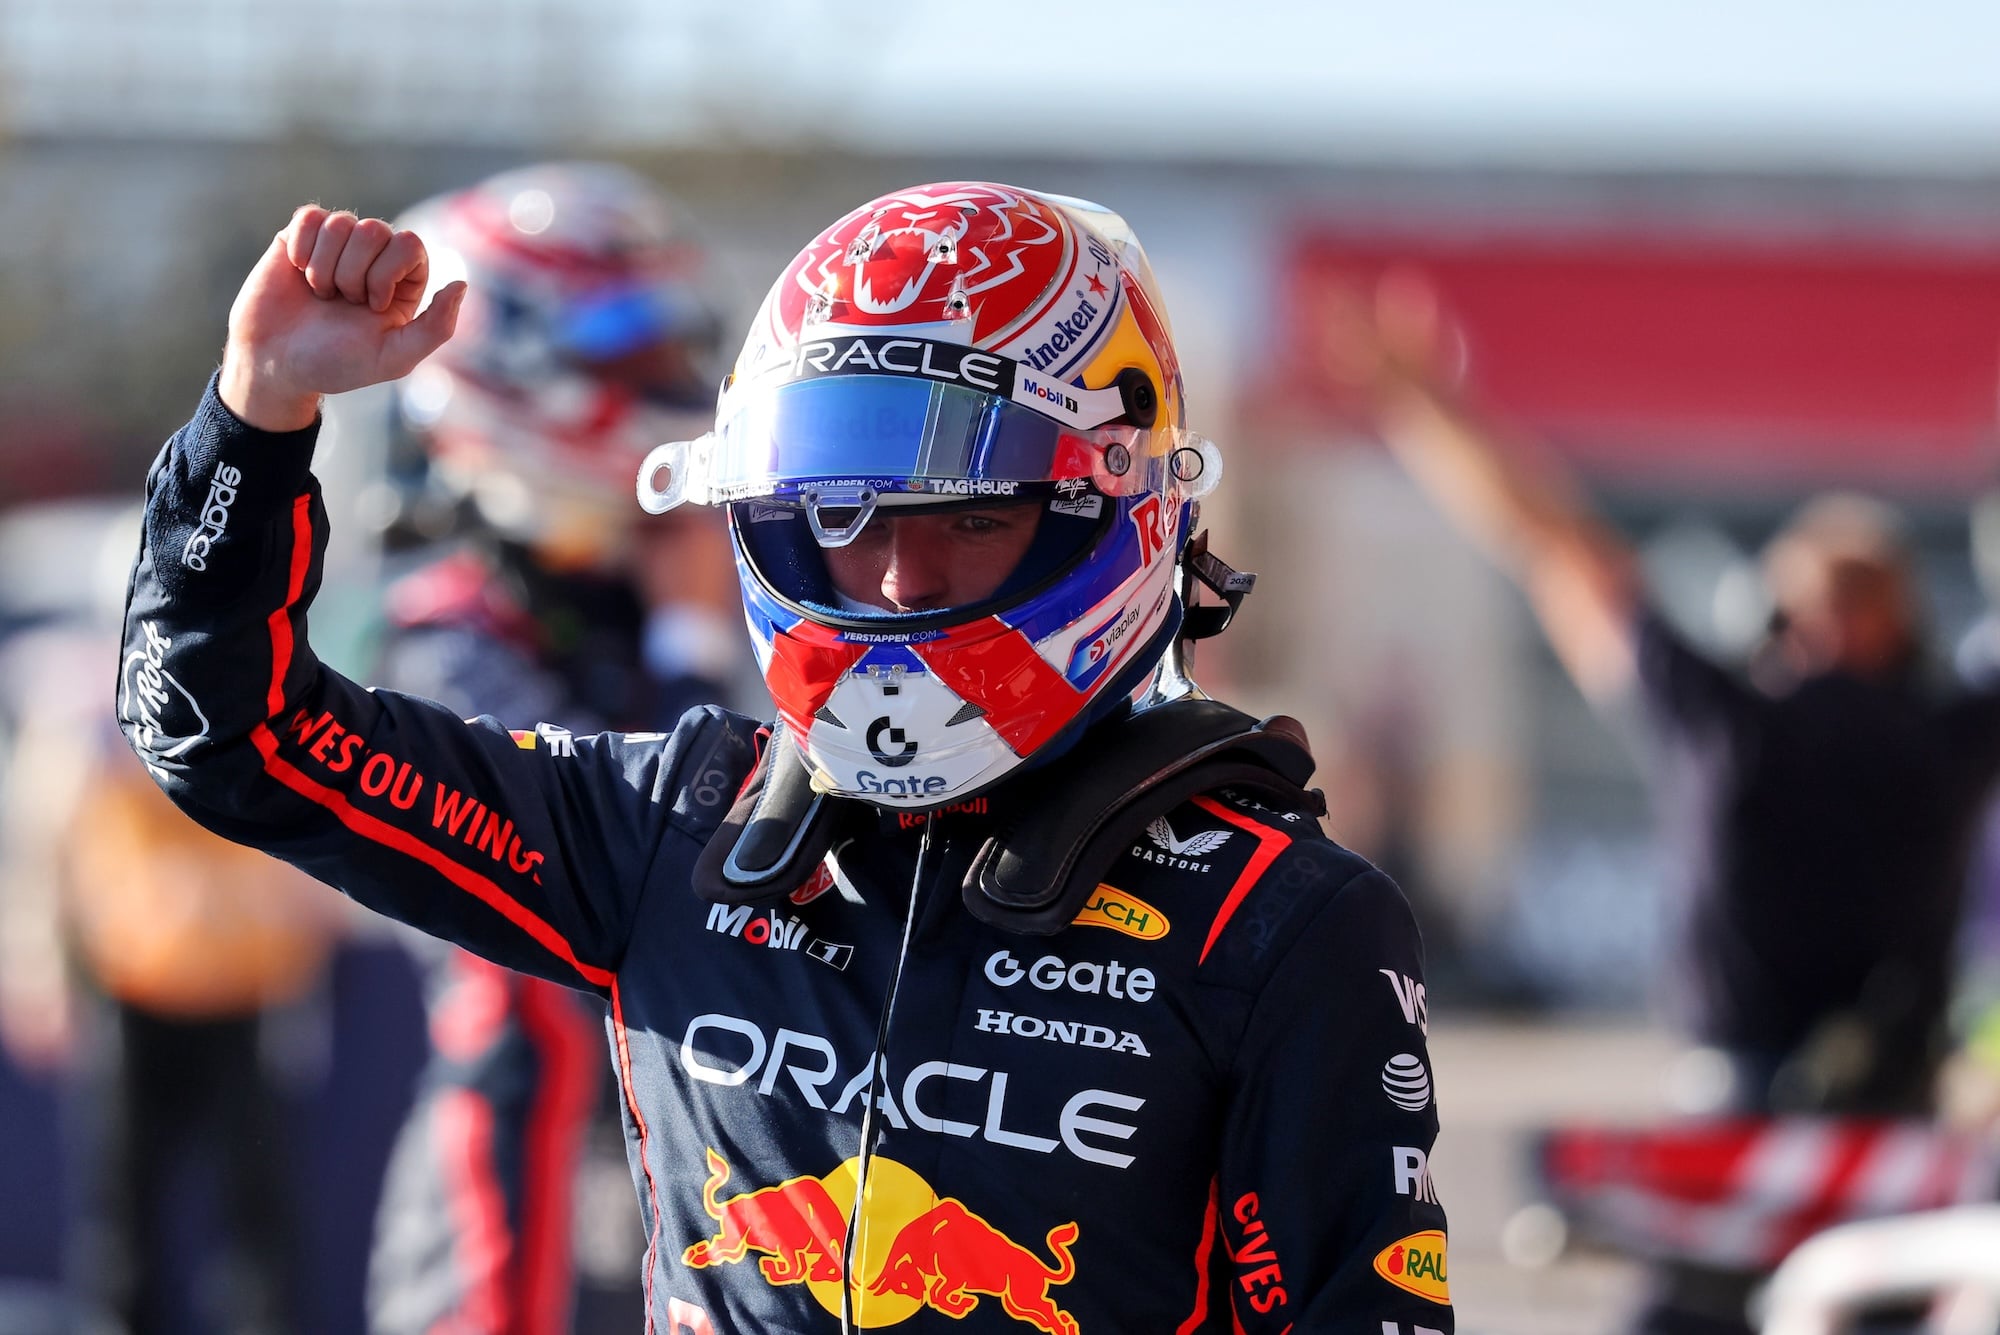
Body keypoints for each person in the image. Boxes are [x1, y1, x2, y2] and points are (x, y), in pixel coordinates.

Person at [116, 182, 1453, 1333]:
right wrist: (258, 412)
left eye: (972, 514)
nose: (891, 573)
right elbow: (223, 725)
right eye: (838, 514)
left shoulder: (1281, 920)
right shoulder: (675, 826)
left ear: (1116, 503)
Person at [1328, 274, 2000, 1332]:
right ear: (1901, 626)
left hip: (1731, 1141)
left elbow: (1555, 546)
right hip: (1894, 1152)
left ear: (1774, 617)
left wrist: (1426, 408)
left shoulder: (1728, 719)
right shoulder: (1947, 735)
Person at [355, 162, 746, 1335]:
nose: (667, 373)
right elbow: (618, 856)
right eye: (623, 337)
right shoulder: (441, 636)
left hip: (686, 1174)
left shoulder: (663, 582)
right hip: (510, 1198)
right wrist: (688, 639)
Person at [1, 604, 341, 1335]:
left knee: (256, 1221)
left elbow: (308, 854)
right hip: (134, 988)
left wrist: (303, 977)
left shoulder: (262, 693)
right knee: (123, 1220)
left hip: (241, 990)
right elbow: (49, 843)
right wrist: (39, 969)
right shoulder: (88, 707)